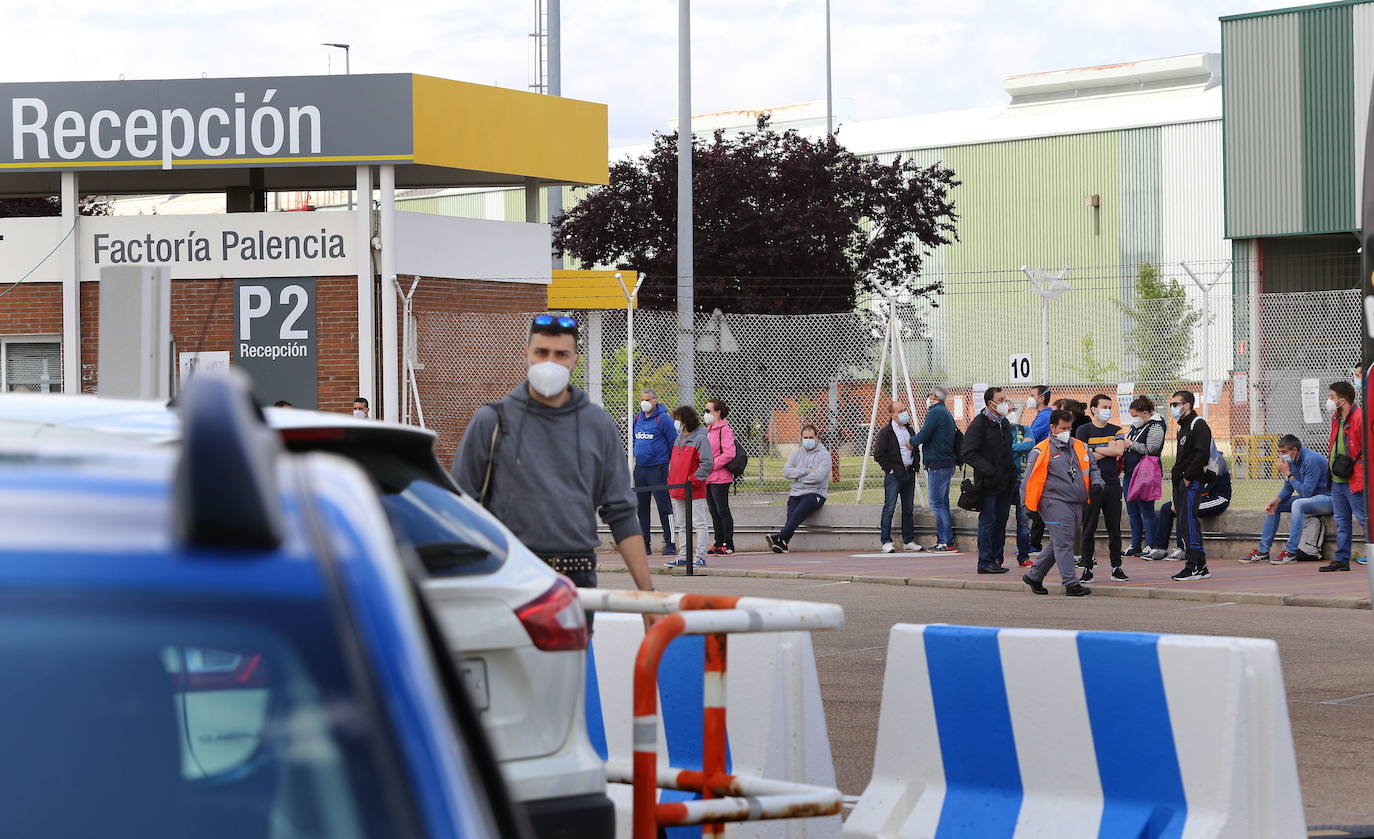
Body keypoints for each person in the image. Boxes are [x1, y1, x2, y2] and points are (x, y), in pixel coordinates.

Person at [451, 314, 656, 624]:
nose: (550, 363)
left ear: (575, 360)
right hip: (507, 579)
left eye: (561, 354)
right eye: (541, 352)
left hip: (576, 579)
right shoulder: (492, 421)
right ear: (526, 354)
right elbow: (458, 508)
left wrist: (648, 598)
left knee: (573, 658)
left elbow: (622, 513)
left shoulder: (597, 425)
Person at [1021, 409, 1100, 597]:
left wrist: (1097, 483)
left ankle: (1034, 576)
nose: (1067, 432)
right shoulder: (1041, 451)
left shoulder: (1080, 446)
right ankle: (1071, 583)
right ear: (1052, 427)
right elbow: (1028, 481)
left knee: (1061, 540)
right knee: (1064, 542)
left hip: (1076, 501)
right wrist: (1027, 506)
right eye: (1063, 428)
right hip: (1053, 502)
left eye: (1069, 428)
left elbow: (1093, 468)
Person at [1241, 434, 1331, 565]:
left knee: (1298, 504)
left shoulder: (1311, 460)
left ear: (1294, 450)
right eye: (1280, 452)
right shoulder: (1291, 460)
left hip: (1328, 499)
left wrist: (1288, 474)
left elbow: (1306, 493)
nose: (1281, 455)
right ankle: (1263, 551)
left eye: (1284, 452)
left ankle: (1291, 553)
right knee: (1275, 506)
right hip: (1310, 499)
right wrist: (1277, 499)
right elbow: (1288, 488)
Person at [961, 386, 1015, 573]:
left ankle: (997, 559)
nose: (1004, 403)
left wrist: (1010, 472)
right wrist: (990, 470)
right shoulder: (979, 423)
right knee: (988, 521)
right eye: (1000, 400)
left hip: (1006, 481)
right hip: (988, 483)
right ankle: (985, 561)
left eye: (1004, 399)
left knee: (1001, 521)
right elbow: (968, 453)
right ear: (990, 403)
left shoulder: (1004, 423)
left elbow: (1007, 450)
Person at [1076, 394, 1128, 582]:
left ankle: (1116, 567)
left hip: (1112, 485)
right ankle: (1087, 568)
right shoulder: (1083, 430)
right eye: (1104, 407)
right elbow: (1083, 456)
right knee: (1088, 528)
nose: (1108, 410)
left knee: (1114, 529)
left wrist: (1095, 450)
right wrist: (1107, 449)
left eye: (1109, 407)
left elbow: (1119, 450)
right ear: (1093, 409)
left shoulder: (1116, 429)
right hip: (1091, 485)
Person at [1165, 390, 1213, 581]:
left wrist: (1188, 476)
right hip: (1180, 481)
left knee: (1189, 521)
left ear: (1187, 405)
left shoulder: (1198, 424)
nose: (1173, 408)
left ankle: (1192, 564)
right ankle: (1201, 565)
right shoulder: (1182, 427)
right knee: (1184, 522)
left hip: (1192, 481)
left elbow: (1202, 454)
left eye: (1175, 404)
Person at [1322, 381, 1367, 572]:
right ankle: (1341, 559)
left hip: (1355, 478)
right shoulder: (1337, 418)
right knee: (1342, 522)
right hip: (1338, 479)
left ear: (1342, 400)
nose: (1329, 400)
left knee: (1365, 520)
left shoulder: (1359, 418)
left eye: (1331, 397)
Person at [766, 424, 831, 553]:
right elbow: (786, 472)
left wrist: (798, 477)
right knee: (791, 518)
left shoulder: (824, 455)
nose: (808, 440)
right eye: (805, 437)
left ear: (817, 437)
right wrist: (806, 471)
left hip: (815, 494)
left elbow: (819, 476)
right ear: (801, 438)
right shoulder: (796, 453)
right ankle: (783, 543)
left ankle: (778, 538)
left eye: (811, 437)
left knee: (796, 515)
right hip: (796, 493)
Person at [1146, 467, 1231, 559]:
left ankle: (1183, 549)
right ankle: (1160, 549)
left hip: (1217, 499)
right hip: (1199, 498)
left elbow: (1203, 489)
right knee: (1166, 508)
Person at [665, 406, 712, 568]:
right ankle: (684, 555)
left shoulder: (700, 439)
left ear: (686, 421)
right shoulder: (678, 439)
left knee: (699, 523)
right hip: (678, 488)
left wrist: (693, 480)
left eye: (678, 419)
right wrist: (671, 481)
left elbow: (707, 463)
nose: (676, 422)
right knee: (682, 524)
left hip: (694, 488)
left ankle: (700, 556)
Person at [911, 387, 958, 551]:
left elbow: (925, 433)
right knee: (942, 503)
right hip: (947, 462)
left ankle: (946, 541)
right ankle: (944, 540)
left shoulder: (935, 412)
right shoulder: (945, 412)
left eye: (929, 395)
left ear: (934, 396)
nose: (928, 398)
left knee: (936, 503)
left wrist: (911, 442)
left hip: (938, 463)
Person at [633, 388, 678, 557]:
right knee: (641, 508)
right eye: (642, 399)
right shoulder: (637, 418)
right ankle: (645, 543)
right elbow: (635, 439)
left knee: (664, 507)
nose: (644, 403)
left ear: (654, 400)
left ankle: (670, 543)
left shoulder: (663, 419)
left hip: (658, 468)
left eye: (647, 399)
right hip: (640, 469)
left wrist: (668, 462)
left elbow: (673, 441)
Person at [874, 400, 922, 553]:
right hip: (894, 475)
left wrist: (915, 463)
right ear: (892, 414)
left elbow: (915, 448)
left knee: (908, 508)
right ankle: (886, 541)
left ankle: (908, 540)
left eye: (904, 409)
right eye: (900, 411)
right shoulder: (886, 432)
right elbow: (878, 454)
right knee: (889, 507)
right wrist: (890, 469)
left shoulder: (909, 430)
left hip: (909, 472)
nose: (904, 413)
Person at [1121, 396, 1165, 557]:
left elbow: (1152, 448)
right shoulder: (1136, 426)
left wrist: (1131, 444)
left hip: (1145, 473)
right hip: (1130, 472)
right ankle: (1135, 544)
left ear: (1145, 413)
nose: (1134, 419)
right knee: (1132, 510)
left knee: (1146, 510)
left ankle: (1150, 544)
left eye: (1135, 416)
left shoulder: (1156, 425)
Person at [704, 398, 737, 556]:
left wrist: (712, 465)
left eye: (708, 411)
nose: (705, 414)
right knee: (713, 511)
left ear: (717, 412)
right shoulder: (709, 430)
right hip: (708, 477)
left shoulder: (725, 429)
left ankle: (728, 544)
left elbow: (729, 453)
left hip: (720, 477)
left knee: (722, 510)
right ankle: (718, 542)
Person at [1025, 385, 1053, 551]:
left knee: (1036, 502)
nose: (1029, 398)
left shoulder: (1044, 417)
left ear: (1041, 398)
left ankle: (1034, 542)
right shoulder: (1043, 416)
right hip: (1042, 463)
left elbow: (1030, 439)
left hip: (1042, 465)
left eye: (1032, 395)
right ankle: (1034, 542)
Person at [1008, 403, 1036, 567]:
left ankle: (1024, 555)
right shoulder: (999, 431)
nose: (1012, 413)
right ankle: (996, 557)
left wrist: (1010, 448)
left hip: (1022, 481)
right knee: (999, 519)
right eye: (1009, 410)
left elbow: (1029, 445)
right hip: (1005, 481)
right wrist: (1017, 449)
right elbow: (999, 451)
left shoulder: (1025, 429)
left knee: (1023, 521)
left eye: (1014, 410)